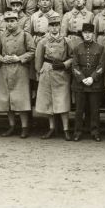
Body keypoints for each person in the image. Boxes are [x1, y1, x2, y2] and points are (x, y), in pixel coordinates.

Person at [0, 11, 36, 138]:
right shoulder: (1, 36)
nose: (10, 23)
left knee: (21, 99)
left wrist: (19, 58)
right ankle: (11, 126)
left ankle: (24, 127)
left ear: (17, 21)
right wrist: (2, 58)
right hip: (5, 70)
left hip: (20, 69)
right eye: (7, 21)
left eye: (12, 21)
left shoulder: (25, 35)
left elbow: (32, 51)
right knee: (7, 100)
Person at [34, 11, 74, 140]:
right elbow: (38, 59)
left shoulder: (66, 41)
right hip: (47, 72)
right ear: (48, 27)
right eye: (52, 25)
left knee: (62, 101)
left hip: (61, 73)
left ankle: (66, 129)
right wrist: (40, 72)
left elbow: (72, 57)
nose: (55, 28)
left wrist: (65, 65)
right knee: (48, 102)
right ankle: (51, 128)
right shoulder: (43, 41)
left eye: (57, 25)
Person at [71, 23, 105, 142]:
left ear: (93, 34)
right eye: (85, 33)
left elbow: (101, 65)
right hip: (80, 84)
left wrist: (93, 78)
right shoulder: (77, 48)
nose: (87, 35)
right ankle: (77, 132)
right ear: (82, 34)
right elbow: (74, 65)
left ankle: (95, 132)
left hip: (94, 84)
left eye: (89, 33)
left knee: (94, 109)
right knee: (79, 110)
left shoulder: (100, 48)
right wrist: (81, 78)